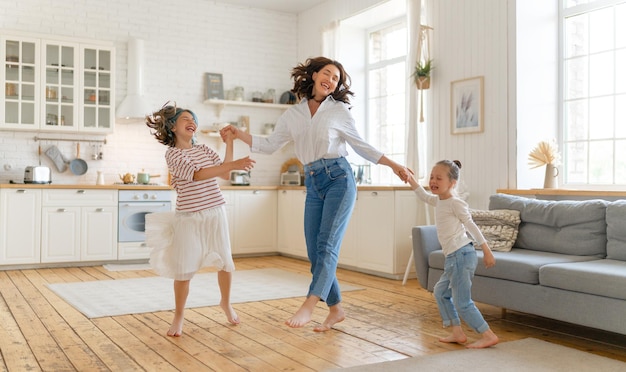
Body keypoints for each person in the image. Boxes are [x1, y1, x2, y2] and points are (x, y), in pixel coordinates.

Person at [220, 56, 410, 332]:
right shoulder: (292, 115)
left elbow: (362, 146)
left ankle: (310, 303)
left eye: (336, 78)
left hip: (339, 180)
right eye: (327, 74)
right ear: (313, 75)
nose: (331, 80)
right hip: (312, 182)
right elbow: (271, 145)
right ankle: (336, 309)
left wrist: (394, 165)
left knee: (327, 246)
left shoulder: (339, 111)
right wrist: (239, 134)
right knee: (314, 251)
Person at [145, 102, 255, 337]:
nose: (191, 122)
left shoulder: (204, 150)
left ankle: (225, 303)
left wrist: (229, 144)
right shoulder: (172, 154)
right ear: (173, 127)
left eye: (193, 119)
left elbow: (224, 173)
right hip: (189, 217)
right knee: (183, 270)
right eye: (185, 119)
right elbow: (197, 175)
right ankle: (179, 316)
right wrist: (234, 164)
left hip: (215, 212)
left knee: (225, 262)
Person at [406, 160, 499, 348]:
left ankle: (487, 335)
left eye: (438, 178)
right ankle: (457, 332)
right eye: (432, 177)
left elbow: (471, 224)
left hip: (461, 255)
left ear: (452, 183)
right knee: (440, 292)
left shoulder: (455, 203)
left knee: (462, 301)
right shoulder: (439, 200)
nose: (433, 181)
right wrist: (410, 179)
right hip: (453, 257)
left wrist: (487, 250)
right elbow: (423, 195)